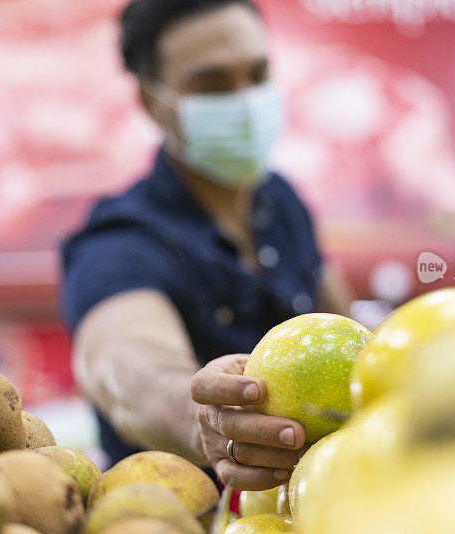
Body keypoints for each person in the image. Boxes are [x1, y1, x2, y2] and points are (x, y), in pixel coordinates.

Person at [61, 0, 351, 490]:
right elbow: (126, 370)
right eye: (212, 84)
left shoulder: (282, 203)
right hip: (173, 515)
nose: (244, 100)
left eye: (257, 75)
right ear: (153, 101)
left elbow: (340, 321)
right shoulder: (119, 238)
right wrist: (204, 415)